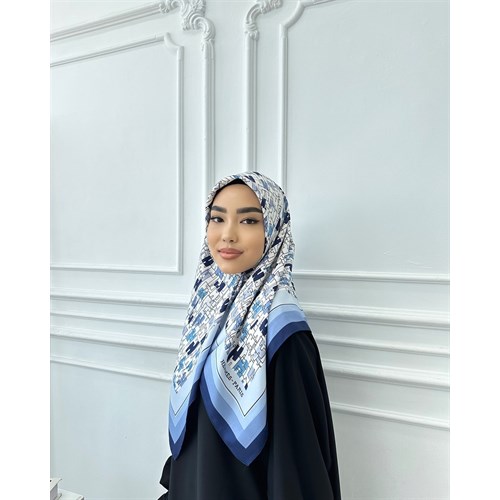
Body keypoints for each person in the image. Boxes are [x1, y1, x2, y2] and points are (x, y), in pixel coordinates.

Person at [158, 172, 341, 499]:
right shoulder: (209, 309)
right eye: (217, 218)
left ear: (274, 230)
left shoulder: (281, 330)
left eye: (249, 221)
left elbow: (294, 466)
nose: (227, 235)